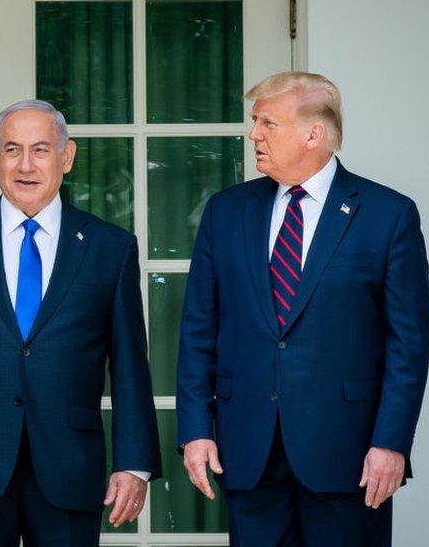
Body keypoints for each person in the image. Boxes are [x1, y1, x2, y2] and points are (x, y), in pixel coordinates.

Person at [177, 71, 429, 545]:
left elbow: (408, 345)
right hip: (247, 453)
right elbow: (197, 330)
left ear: (313, 133)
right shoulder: (225, 211)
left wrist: (390, 443)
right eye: (255, 122)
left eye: (267, 123)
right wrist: (195, 429)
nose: (254, 134)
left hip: (350, 457)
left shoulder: (388, 215)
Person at [0, 99, 161, 545]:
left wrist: (133, 462)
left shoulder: (109, 248)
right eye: (12, 149)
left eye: (40, 150)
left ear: (67, 156)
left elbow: (130, 367)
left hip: (69, 467)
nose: (25, 165)